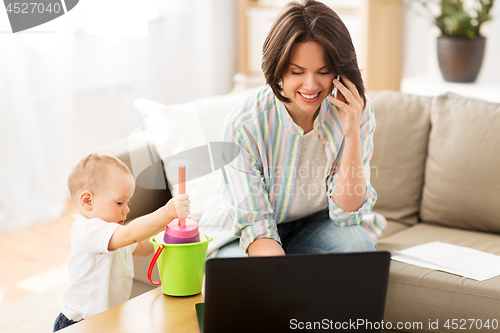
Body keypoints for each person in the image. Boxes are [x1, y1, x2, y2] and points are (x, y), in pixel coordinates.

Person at [199, 0, 386, 258]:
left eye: (323, 71)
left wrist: (352, 133)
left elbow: (346, 215)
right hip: (242, 235)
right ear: (279, 68)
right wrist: (282, 280)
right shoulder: (244, 125)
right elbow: (256, 228)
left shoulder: (356, 111)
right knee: (245, 278)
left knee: (356, 245)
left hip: (310, 226)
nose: (310, 86)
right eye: (297, 71)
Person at [53, 153, 190, 331]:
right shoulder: (89, 230)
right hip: (80, 322)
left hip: (106, 320)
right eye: (119, 202)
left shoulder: (113, 233)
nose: (126, 209)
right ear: (88, 201)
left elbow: (141, 247)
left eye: (128, 202)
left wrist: (168, 230)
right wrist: (167, 212)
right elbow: (130, 235)